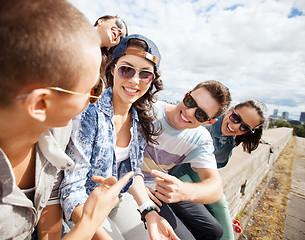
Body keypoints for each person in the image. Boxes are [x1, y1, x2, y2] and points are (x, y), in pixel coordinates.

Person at [0, 0, 133, 239]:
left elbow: (49, 203)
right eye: (93, 91)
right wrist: (89, 221)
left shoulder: (58, 131)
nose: (95, 100)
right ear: (41, 104)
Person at [60, 34, 179, 240]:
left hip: (119, 199)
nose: (134, 80)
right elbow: (71, 189)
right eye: (127, 69)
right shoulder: (89, 114)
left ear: (151, 81)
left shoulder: (140, 119)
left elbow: (132, 173)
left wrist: (149, 212)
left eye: (145, 74)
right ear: (113, 69)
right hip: (85, 205)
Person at [142, 80, 232, 240]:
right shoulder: (148, 111)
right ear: (186, 95)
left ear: (209, 122)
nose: (189, 112)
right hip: (138, 186)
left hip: (162, 187)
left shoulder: (201, 138)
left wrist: (183, 191)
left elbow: (216, 188)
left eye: (201, 114)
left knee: (215, 231)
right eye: (190, 102)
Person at [170, 99, 269, 240]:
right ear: (230, 110)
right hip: (176, 170)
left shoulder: (229, 141)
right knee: (213, 223)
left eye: (244, 128)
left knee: (220, 204)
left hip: (192, 170)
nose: (235, 127)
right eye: (236, 118)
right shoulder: (205, 124)